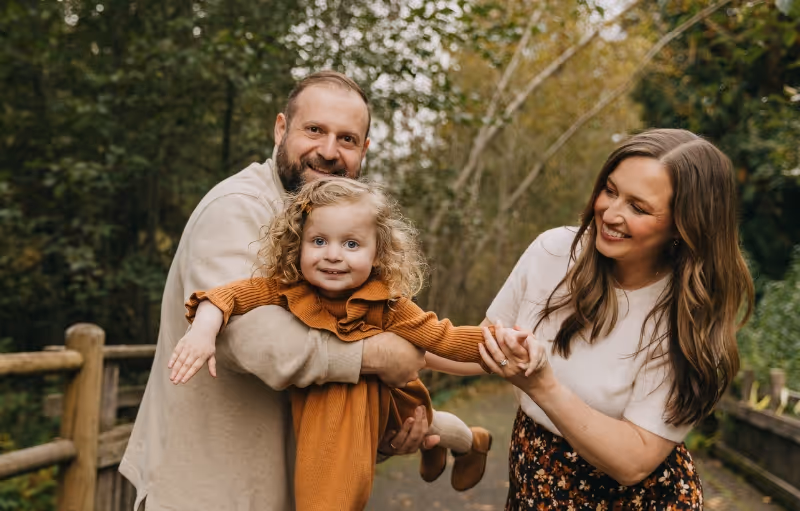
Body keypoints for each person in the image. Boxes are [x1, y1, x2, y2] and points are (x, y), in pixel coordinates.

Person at [120, 71, 438, 511]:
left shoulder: (331, 235)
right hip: (208, 490)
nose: (328, 152)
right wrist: (377, 356)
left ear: (363, 151)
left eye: (347, 139)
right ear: (280, 129)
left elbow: (331, 364)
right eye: (314, 130)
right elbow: (252, 340)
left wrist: (383, 430)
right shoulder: (237, 209)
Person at [168, 178, 530, 510]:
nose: (333, 254)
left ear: (378, 254)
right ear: (298, 245)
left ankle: (473, 444)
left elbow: (444, 337)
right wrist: (202, 331)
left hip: (393, 400)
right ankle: (437, 448)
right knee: (416, 436)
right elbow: (226, 296)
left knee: (429, 426)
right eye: (319, 241)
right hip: (342, 408)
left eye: (352, 244)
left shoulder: (387, 303)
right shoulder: (287, 289)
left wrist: (502, 341)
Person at [471, 129, 753, 509]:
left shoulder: (689, 318)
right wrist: (388, 333)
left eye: (638, 207)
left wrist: (542, 386)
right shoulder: (554, 252)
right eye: (610, 190)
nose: (611, 213)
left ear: (683, 226)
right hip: (534, 477)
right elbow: (478, 345)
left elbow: (633, 462)